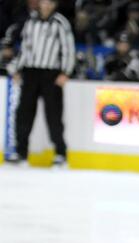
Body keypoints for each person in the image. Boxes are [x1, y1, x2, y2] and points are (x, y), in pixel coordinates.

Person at [8, 0, 73, 167]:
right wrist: (17, 68)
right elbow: (25, 48)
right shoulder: (30, 21)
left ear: (54, 4)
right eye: (44, 1)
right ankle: (21, 152)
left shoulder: (60, 22)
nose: (46, 5)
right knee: (24, 113)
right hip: (30, 72)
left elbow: (67, 49)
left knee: (54, 115)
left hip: (51, 74)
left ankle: (60, 153)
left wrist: (66, 72)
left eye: (49, 2)